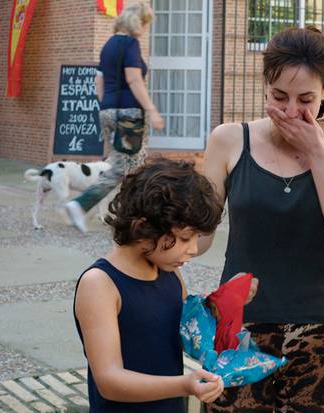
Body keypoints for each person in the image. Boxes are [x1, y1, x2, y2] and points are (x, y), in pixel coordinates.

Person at [198, 26, 324, 412]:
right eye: (279, 97)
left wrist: (317, 153)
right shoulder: (228, 139)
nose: (291, 111)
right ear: (265, 86)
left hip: (318, 330)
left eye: (306, 99)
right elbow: (200, 236)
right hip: (238, 331)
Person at [73, 158, 257, 412]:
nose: (193, 250)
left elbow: (185, 330)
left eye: (196, 238)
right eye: (184, 238)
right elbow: (109, 380)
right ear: (143, 228)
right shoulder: (100, 284)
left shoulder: (168, 272)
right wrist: (184, 385)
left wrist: (226, 300)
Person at [66, 2, 165, 234]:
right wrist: (151, 109)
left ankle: (131, 217)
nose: (145, 27)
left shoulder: (108, 45)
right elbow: (133, 79)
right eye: (144, 23)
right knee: (125, 168)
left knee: (126, 165)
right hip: (128, 113)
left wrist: (107, 105)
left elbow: (98, 81)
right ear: (138, 22)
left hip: (108, 110)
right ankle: (81, 205)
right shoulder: (130, 44)